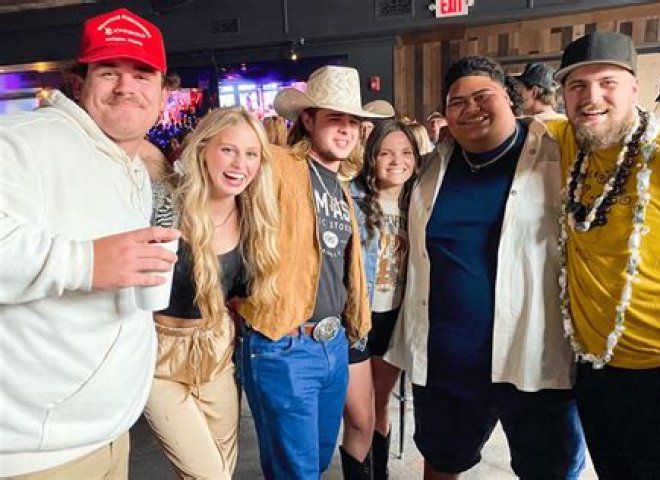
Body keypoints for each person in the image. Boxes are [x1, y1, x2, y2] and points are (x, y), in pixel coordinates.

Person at [0, 8, 181, 479]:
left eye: (142, 74)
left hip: (110, 433)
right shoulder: (23, 141)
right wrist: (84, 262)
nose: (126, 87)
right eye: (108, 71)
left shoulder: (135, 166)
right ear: (78, 83)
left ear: (163, 93)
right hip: (37, 455)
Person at [385, 56, 586, 479]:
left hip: (533, 361)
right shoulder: (431, 168)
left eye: (482, 96)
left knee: (549, 470)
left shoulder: (558, 155)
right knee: (442, 463)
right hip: (447, 363)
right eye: (457, 102)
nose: (470, 108)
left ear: (510, 99)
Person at [547, 31, 660, 479]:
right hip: (595, 369)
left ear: (634, 88)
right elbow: (511, 127)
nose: (592, 98)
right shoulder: (569, 142)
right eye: (577, 86)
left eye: (607, 83)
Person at [235, 65, 391, 479]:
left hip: (332, 343)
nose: (346, 130)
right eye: (334, 119)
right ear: (307, 119)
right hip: (284, 342)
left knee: (318, 461)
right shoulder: (277, 164)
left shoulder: (339, 185)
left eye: (353, 122)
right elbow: (222, 178)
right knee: (298, 471)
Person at [143, 107, 279, 479]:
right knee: (208, 474)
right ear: (203, 149)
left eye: (251, 154)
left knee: (223, 468)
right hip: (158, 357)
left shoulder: (254, 217)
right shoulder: (166, 202)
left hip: (217, 351)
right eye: (228, 150)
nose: (240, 164)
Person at [342, 119, 418, 480]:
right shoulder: (350, 198)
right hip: (357, 319)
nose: (397, 161)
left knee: (380, 405)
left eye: (406, 153)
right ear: (371, 156)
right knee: (359, 416)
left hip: (396, 319)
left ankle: (380, 473)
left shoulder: (419, 201)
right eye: (386, 153)